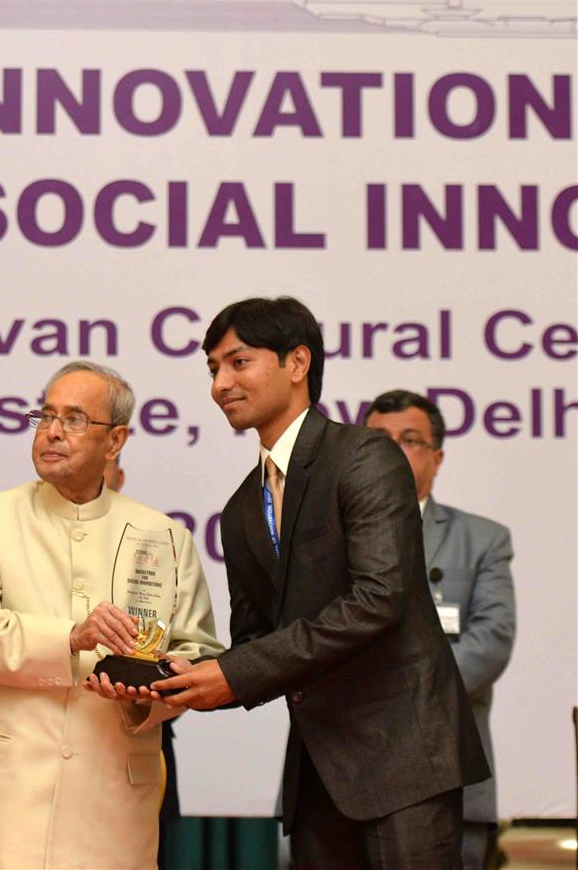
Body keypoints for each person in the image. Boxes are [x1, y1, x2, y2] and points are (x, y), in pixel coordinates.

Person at [155, 297, 488, 868]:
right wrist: (185, 679)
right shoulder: (240, 508)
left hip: (404, 758)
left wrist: (232, 675)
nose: (220, 383)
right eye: (212, 369)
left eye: (238, 362)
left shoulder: (365, 456)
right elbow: (257, 643)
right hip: (318, 771)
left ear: (298, 363)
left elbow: (378, 599)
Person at [0, 361, 221, 869]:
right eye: (45, 416)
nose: (51, 432)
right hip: (9, 801)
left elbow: (196, 657)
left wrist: (144, 699)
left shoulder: (164, 536)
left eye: (72, 419)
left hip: (111, 806)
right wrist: (70, 637)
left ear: (114, 442)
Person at [365, 389, 516, 870]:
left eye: (408, 440)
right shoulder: (323, 537)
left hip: (445, 765)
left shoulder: (482, 539)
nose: (391, 451)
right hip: (348, 770)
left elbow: (491, 640)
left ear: (437, 456)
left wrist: (401, 692)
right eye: (377, 440)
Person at [104, 453, 182, 869]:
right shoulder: (16, 538)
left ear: (119, 475)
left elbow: (193, 656)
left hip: (137, 776)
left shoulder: (159, 548)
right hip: (32, 783)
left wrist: (150, 690)